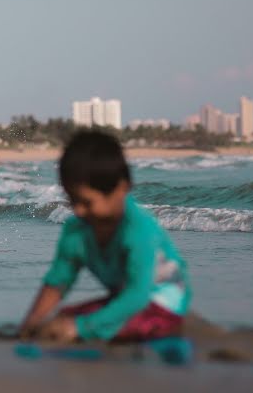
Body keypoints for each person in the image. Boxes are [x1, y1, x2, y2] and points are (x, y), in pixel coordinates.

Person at [18, 131, 191, 342]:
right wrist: (31, 324)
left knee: (85, 327)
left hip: (162, 304)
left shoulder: (139, 229)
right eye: (72, 201)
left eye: (87, 202)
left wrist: (80, 329)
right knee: (62, 318)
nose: (79, 211)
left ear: (121, 188)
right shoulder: (77, 230)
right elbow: (58, 282)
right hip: (124, 299)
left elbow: (138, 295)